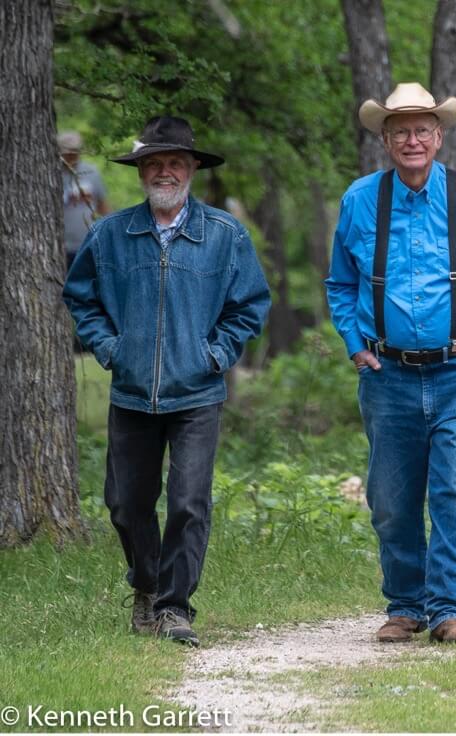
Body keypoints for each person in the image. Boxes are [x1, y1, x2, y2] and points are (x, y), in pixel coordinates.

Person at [325, 83, 456, 644]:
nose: (411, 140)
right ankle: (405, 604)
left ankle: (449, 608)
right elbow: (340, 283)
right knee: (391, 497)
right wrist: (354, 343)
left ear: (439, 136)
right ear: (385, 140)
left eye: (421, 130)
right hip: (386, 374)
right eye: (400, 131)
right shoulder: (360, 199)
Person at [63, 116, 271, 647]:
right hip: (132, 392)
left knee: (188, 503)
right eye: (153, 163)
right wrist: (111, 349)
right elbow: (80, 297)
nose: (164, 171)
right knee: (126, 504)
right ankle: (147, 586)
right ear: (139, 173)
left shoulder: (224, 235)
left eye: (174, 162)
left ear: (192, 168)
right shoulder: (110, 234)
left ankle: (175, 608)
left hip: (197, 391)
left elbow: (250, 304)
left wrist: (217, 352)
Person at [59, 131, 111, 270]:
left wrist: (110, 234)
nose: (71, 155)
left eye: (74, 152)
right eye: (67, 152)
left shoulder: (91, 172)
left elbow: (103, 205)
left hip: (88, 244)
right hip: (60, 247)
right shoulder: (52, 173)